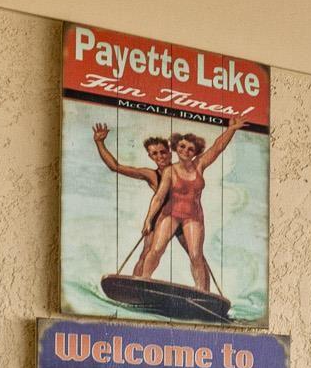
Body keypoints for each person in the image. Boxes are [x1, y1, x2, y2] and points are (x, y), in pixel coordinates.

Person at [92, 119, 240, 295]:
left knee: (197, 256)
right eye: (154, 154)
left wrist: (231, 129)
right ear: (150, 156)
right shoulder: (151, 174)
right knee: (148, 252)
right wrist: (99, 142)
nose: (160, 157)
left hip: (190, 217)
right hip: (164, 216)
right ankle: (137, 288)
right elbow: (115, 167)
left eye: (163, 152)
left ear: (171, 152)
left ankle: (204, 295)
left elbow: (216, 148)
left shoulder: (190, 165)